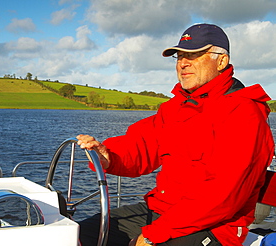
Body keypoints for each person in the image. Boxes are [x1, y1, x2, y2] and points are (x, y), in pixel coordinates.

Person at [76, 23, 275, 246]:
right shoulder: (175, 108)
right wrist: (109, 156)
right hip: (163, 211)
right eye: (179, 56)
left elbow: (223, 195)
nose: (183, 63)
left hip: (215, 226)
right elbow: (142, 145)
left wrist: (155, 233)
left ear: (221, 61)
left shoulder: (243, 113)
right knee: (79, 235)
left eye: (195, 54)